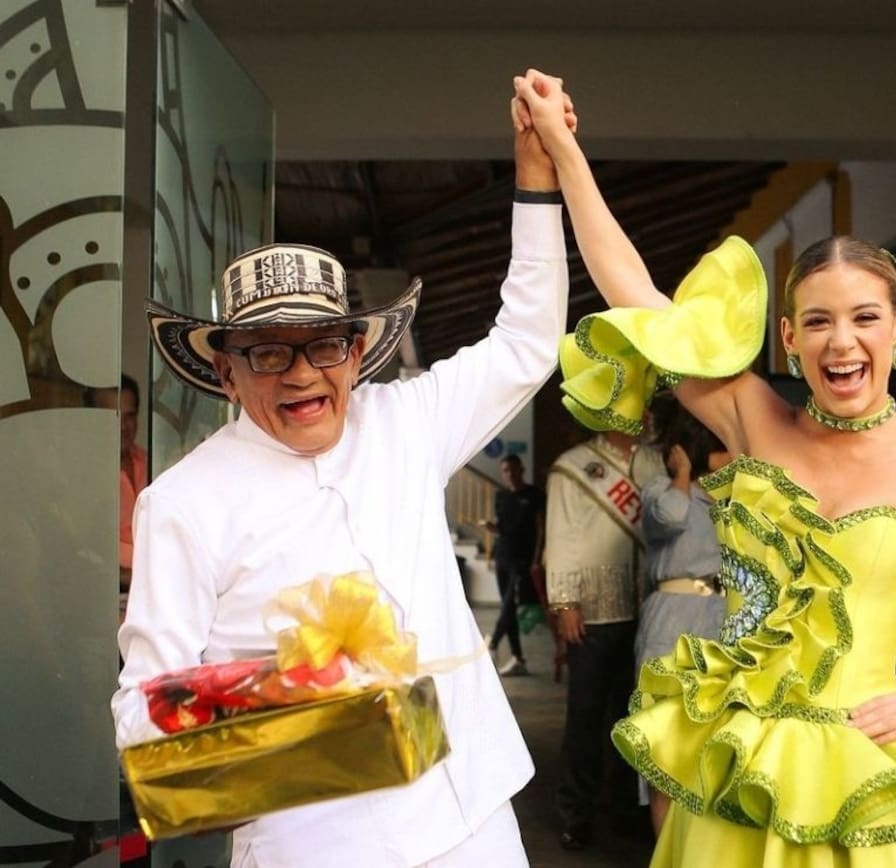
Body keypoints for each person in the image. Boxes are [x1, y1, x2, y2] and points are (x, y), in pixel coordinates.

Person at [515, 69, 896, 867]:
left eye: (865, 318)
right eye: (819, 322)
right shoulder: (750, 418)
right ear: (788, 337)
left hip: (869, 781)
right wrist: (564, 152)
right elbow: (633, 293)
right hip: (739, 768)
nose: (843, 341)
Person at [111, 90, 571, 867]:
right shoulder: (183, 504)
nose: (301, 375)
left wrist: (534, 176)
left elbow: (526, 341)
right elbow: (142, 709)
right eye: (268, 352)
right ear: (224, 372)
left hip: (475, 816)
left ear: (358, 353)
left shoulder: (404, 423)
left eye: (324, 346)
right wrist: (282, 691)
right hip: (314, 842)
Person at [544, 428, 643, 851]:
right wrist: (564, 600)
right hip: (592, 610)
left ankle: (624, 808)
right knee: (585, 719)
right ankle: (576, 813)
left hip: (645, 608)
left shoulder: (657, 460)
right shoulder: (574, 464)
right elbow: (561, 535)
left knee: (631, 718)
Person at [636, 392, 729, 836]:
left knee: (712, 750)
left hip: (721, 616)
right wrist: (682, 476)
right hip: (670, 619)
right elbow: (668, 519)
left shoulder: (726, 494)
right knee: (664, 753)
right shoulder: (662, 489)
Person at [86, 373, 149, 621]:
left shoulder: (150, 461)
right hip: (98, 603)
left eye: (130, 415)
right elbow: (78, 549)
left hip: (149, 596)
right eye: (115, 417)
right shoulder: (77, 474)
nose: (124, 426)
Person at [484, 453, 546, 677]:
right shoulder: (501, 495)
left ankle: (491, 645)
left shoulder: (535, 495)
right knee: (507, 607)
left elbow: (541, 529)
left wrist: (537, 558)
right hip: (503, 556)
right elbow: (503, 526)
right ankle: (518, 658)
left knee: (509, 604)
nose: (509, 474)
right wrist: (493, 529)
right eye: (505, 471)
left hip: (523, 559)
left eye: (512, 469)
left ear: (522, 470)